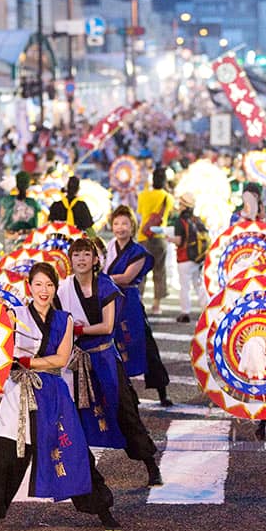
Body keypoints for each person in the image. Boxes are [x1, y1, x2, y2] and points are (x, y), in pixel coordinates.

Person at [0, 262, 118, 531]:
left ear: (55, 288)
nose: (44, 290)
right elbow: (0, 353)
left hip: (53, 395)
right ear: (29, 287)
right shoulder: (14, 316)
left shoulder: (65, 320)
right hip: (19, 396)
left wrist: (27, 361)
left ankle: (102, 508)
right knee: (4, 458)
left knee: (74, 453)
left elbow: (61, 359)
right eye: (38, 285)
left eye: (49, 285)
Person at [56, 238, 162, 486]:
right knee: (78, 416)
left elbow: (107, 325)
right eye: (76, 255)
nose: (81, 259)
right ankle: (87, 474)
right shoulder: (63, 290)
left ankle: (150, 464)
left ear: (95, 260)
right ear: (70, 260)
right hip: (76, 362)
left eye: (86, 254)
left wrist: (79, 331)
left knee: (125, 411)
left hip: (104, 358)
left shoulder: (105, 285)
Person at [103, 206, 172, 406]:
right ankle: (124, 393)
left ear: (132, 226)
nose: (120, 228)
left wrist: (99, 278)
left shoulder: (139, 252)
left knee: (146, 346)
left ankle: (162, 391)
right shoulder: (108, 247)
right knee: (113, 347)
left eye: (124, 223)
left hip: (130, 302)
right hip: (109, 301)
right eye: (116, 223)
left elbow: (126, 278)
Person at [136, 167, 173, 315]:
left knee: (141, 272)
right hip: (159, 238)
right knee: (159, 271)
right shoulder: (167, 197)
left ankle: (139, 302)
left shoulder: (143, 195)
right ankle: (156, 305)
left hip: (143, 237)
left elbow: (140, 213)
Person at [167, 192, 208, 323]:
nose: (178, 206)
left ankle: (185, 312)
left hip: (184, 258)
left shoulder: (180, 221)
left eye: (180, 203)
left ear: (184, 206)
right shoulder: (197, 219)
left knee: (185, 287)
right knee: (198, 284)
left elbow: (179, 241)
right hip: (198, 257)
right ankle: (207, 308)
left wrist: (168, 238)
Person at [0, 171, 41, 251]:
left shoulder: (6, 200)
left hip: (11, 239)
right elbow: (37, 224)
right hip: (29, 240)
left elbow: (2, 222)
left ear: (16, 184)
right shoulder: (33, 203)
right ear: (28, 186)